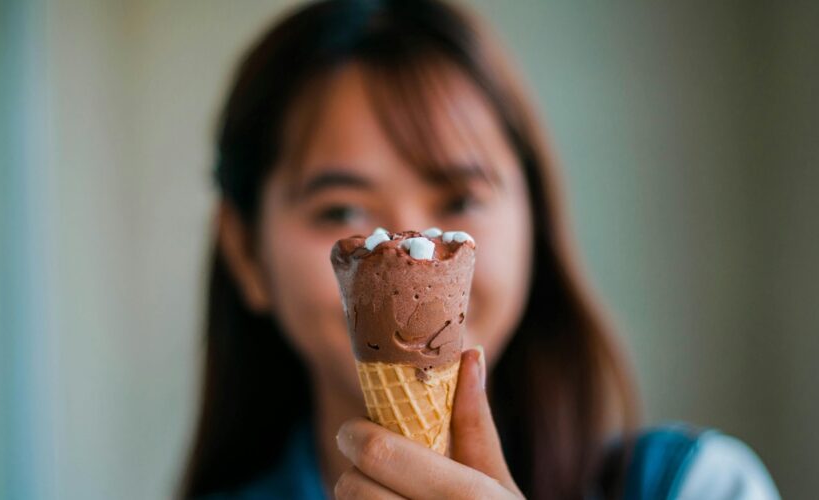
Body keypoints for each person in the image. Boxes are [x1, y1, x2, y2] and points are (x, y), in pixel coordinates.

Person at [179, 1, 780, 498]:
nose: (413, 254)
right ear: (247, 254)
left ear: (533, 224)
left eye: (461, 199)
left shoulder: (698, 485)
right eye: (340, 210)